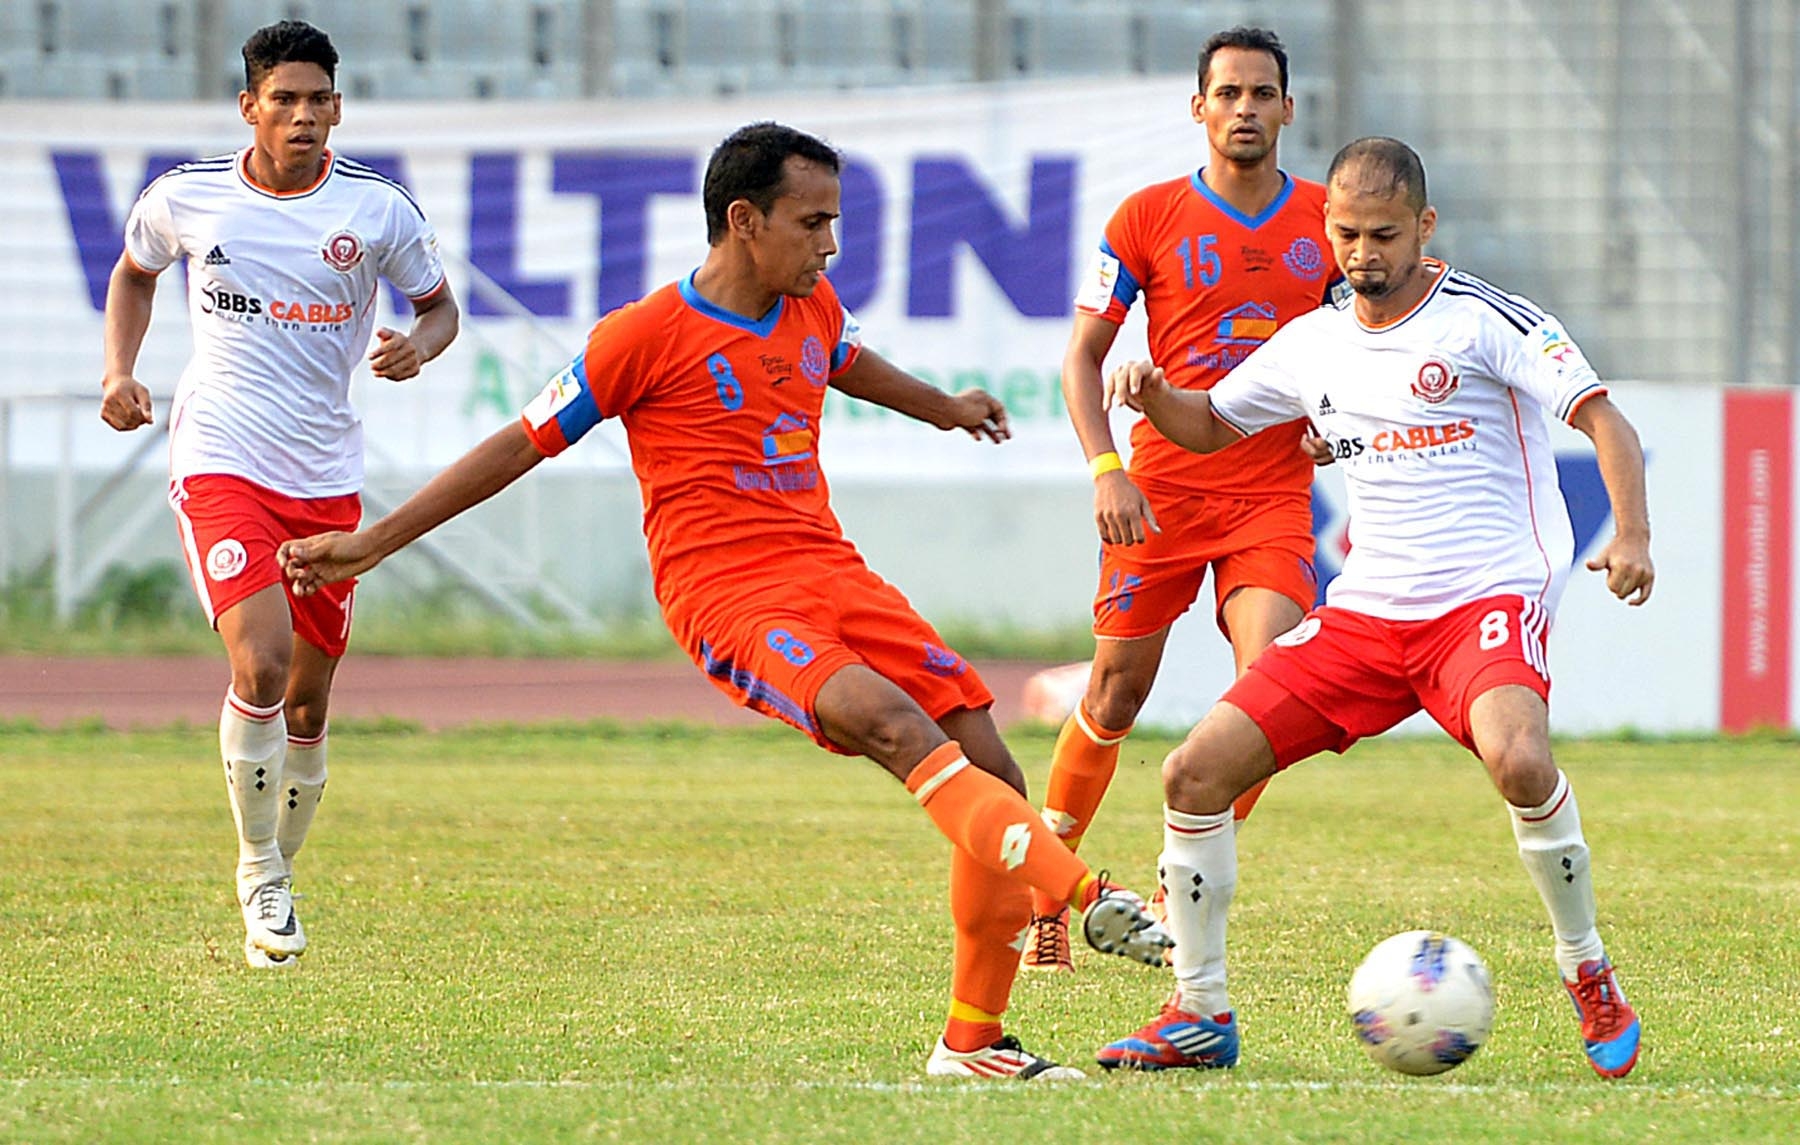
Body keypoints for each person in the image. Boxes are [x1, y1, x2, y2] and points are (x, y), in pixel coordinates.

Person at [278, 122, 1171, 1079]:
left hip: (834, 571)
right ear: (744, 220)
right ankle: (1081, 894)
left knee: (991, 763)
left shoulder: (811, 304)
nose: (830, 244)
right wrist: (371, 541)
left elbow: (849, 361)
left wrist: (944, 407)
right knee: (889, 721)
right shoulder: (641, 337)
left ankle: (973, 1040)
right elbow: (513, 446)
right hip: (729, 595)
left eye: (834, 220)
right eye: (813, 222)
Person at [1094, 137, 1650, 1079]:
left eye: (1384, 234)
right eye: (1346, 234)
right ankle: (1197, 1010)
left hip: (1482, 596)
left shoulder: (1483, 319)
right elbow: (1211, 422)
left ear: (1424, 228)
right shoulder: (1313, 342)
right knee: (1192, 774)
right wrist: (1154, 394)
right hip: (1366, 615)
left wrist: (1629, 535)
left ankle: (1585, 967)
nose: (1363, 254)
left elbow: (1605, 420)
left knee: (1520, 757)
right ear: (1327, 231)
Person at [99, 20, 460, 969]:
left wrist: (418, 347)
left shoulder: (378, 212)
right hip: (219, 455)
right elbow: (135, 274)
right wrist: (119, 372)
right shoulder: (187, 198)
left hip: (325, 477)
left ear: (338, 108)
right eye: (284, 99)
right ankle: (259, 866)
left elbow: (440, 306)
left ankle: (280, 870)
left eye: (319, 100)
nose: (303, 116)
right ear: (250, 107)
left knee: (305, 703)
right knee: (257, 666)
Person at [1024, 26, 1341, 972]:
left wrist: (1334, 416)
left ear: (1289, 107)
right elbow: (1082, 357)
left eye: (1262, 94)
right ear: (1198, 108)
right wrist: (1105, 468)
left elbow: (1356, 344)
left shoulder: (1330, 221)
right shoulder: (1146, 218)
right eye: (1228, 93)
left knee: (1266, 691)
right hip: (1159, 494)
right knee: (1114, 693)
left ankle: (1169, 887)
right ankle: (1044, 894)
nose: (1245, 109)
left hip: (1273, 495)